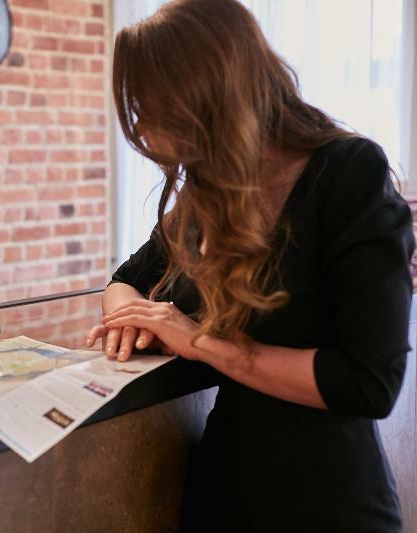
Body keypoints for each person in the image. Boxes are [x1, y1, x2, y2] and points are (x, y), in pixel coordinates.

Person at [85, 1, 414, 531]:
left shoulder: (348, 174)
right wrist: (131, 318)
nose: (141, 127)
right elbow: (125, 279)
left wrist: (199, 341)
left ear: (204, 94)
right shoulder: (207, 191)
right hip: (224, 487)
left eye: (150, 106)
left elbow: (367, 383)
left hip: (326, 499)